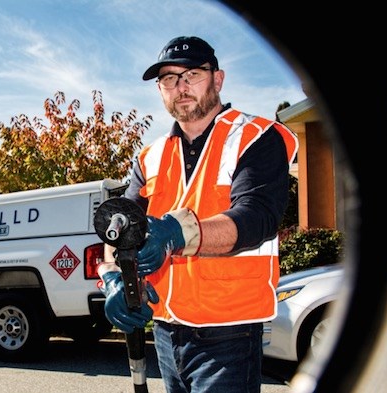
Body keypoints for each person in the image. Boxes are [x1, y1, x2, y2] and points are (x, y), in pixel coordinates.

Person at [98, 36, 299, 392]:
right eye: (169, 79)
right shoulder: (150, 156)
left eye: (191, 74)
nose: (181, 86)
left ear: (217, 79)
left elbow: (256, 216)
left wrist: (176, 233)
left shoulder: (255, 137)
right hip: (165, 331)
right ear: (161, 91)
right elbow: (119, 227)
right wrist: (114, 277)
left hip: (229, 334)